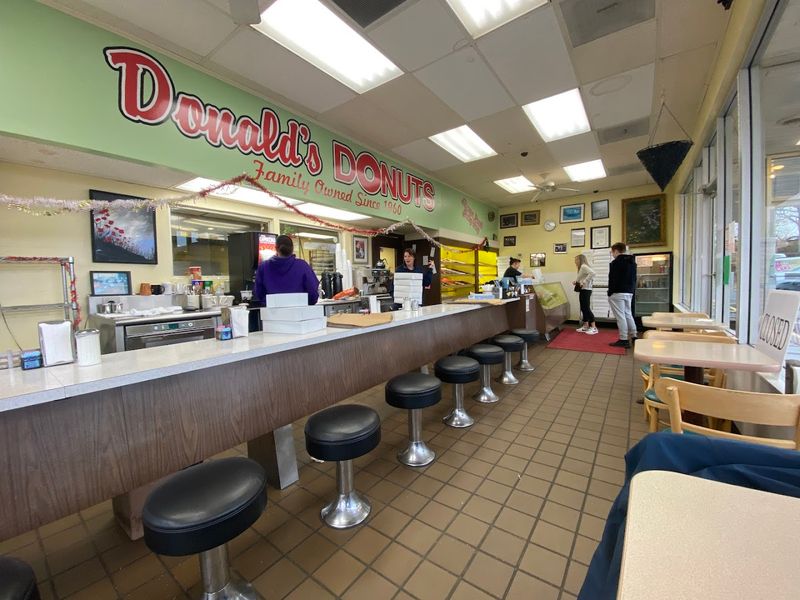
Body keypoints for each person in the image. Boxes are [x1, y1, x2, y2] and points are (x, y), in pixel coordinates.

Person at [254, 234, 319, 305]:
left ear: (276, 248)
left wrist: (268, 303)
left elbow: (258, 294)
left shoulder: (263, 267)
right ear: (292, 248)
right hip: (300, 312)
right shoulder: (303, 266)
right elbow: (313, 293)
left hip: (272, 313)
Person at [607, 242, 637, 348]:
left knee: (620, 317)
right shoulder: (632, 262)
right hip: (629, 292)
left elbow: (613, 280)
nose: (612, 254)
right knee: (628, 314)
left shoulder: (615, 263)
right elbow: (634, 279)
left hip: (617, 292)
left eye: (612, 252)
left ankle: (623, 339)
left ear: (616, 251)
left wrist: (610, 293)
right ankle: (634, 336)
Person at [573, 254, 598, 335]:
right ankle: (585, 326)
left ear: (580, 260)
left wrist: (584, 282)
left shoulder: (583, 266)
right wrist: (577, 281)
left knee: (586, 308)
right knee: (583, 308)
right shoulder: (582, 268)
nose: (575, 262)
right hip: (583, 290)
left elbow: (593, 273)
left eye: (576, 260)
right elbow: (583, 277)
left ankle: (594, 327)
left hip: (586, 290)